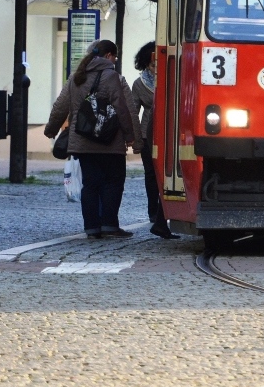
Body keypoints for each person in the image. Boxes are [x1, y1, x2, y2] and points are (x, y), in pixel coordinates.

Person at [44, 40, 143, 239]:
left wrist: (51, 129)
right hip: (110, 141)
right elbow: (125, 109)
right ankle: (109, 225)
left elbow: (60, 106)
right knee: (113, 182)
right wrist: (133, 138)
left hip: (83, 141)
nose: (115, 60)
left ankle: (91, 228)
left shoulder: (76, 77)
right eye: (115, 57)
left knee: (90, 184)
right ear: (108, 56)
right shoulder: (113, 77)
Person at [131, 41, 179, 239]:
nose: (156, 68)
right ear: (146, 64)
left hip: (171, 133)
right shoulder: (139, 84)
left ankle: (164, 214)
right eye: (153, 65)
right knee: (151, 174)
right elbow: (134, 112)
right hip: (148, 133)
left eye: (159, 63)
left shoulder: (173, 78)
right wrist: (135, 140)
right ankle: (154, 212)